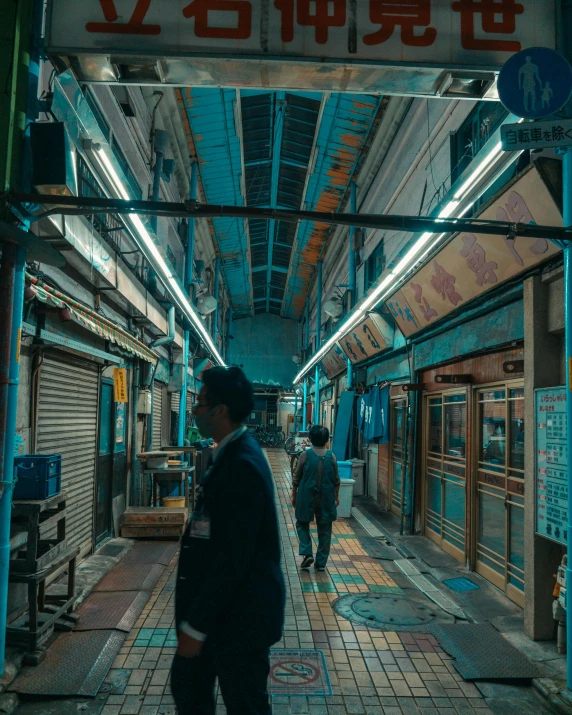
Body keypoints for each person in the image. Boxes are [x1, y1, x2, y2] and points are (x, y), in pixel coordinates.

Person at [171, 366, 285, 715]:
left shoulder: (241, 465)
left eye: (200, 403)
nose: (194, 410)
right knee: (190, 690)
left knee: (244, 704)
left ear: (219, 410)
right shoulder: (235, 453)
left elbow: (232, 559)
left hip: (238, 621)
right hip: (227, 618)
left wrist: (197, 625)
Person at [291, 425, 340, 572]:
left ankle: (307, 553)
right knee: (325, 529)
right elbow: (336, 480)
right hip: (326, 498)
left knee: (302, 523)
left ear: (310, 439)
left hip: (306, 496)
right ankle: (321, 563)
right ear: (326, 440)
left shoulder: (305, 455)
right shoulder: (331, 456)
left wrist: (294, 495)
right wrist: (336, 497)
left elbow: (296, 477)